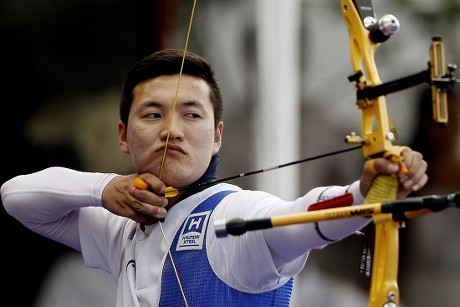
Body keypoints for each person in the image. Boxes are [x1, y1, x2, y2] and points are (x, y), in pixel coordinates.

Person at [1, 48, 428, 307]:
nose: (172, 129)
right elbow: (16, 196)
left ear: (218, 135)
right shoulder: (119, 229)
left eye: (192, 114)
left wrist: (365, 192)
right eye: (152, 114)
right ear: (123, 136)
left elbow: (304, 219)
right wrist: (102, 189)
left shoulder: (236, 216)